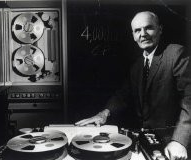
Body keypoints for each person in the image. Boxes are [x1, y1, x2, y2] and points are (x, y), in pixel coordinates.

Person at [75, 11, 191, 160]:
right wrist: (103, 114)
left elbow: (189, 100)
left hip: (174, 147)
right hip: (147, 144)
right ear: (133, 36)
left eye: (149, 28)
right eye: (137, 30)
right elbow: (123, 95)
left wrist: (179, 141)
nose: (143, 34)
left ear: (160, 29)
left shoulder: (176, 54)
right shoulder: (137, 65)